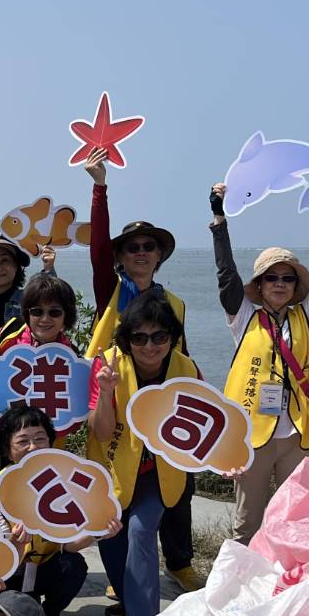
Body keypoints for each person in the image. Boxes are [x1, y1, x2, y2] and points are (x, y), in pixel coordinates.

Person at [211, 179, 309, 542]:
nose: (279, 283)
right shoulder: (243, 317)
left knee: (295, 519)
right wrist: (219, 219)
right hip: (253, 436)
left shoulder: (306, 317)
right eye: (271, 278)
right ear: (260, 285)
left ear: (296, 288)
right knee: (247, 522)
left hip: (297, 433)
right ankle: (238, 587)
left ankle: (284, 586)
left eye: (287, 278)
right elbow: (226, 275)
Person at [81, 147, 201, 592]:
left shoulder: (175, 305)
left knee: (176, 487)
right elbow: (96, 249)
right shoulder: (110, 289)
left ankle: (180, 560)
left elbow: (182, 356)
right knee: (124, 486)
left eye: (149, 247)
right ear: (121, 257)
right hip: (115, 397)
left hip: (163, 404)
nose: (141, 253)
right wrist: (99, 189)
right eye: (132, 248)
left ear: (159, 255)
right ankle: (125, 573)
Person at [87, 294, 200, 616]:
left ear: (172, 337)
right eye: (139, 337)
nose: (150, 346)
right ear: (127, 339)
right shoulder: (107, 365)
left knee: (140, 532)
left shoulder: (187, 369)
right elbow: (101, 431)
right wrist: (106, 392)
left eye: (159, 336)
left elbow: (205, 431)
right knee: (111, 542)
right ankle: (131, 600)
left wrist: (227, 461)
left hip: (157, 475)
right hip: (111, 471)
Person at [0, 406, 119, 616]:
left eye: (40, 439)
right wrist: (16, 543)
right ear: (8, 450)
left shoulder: (63, 481)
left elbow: (69, 544)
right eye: (23, 441)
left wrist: (99, 530)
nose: (33, 447)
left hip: (45, 565)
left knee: (74, 566)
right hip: (11, 573)